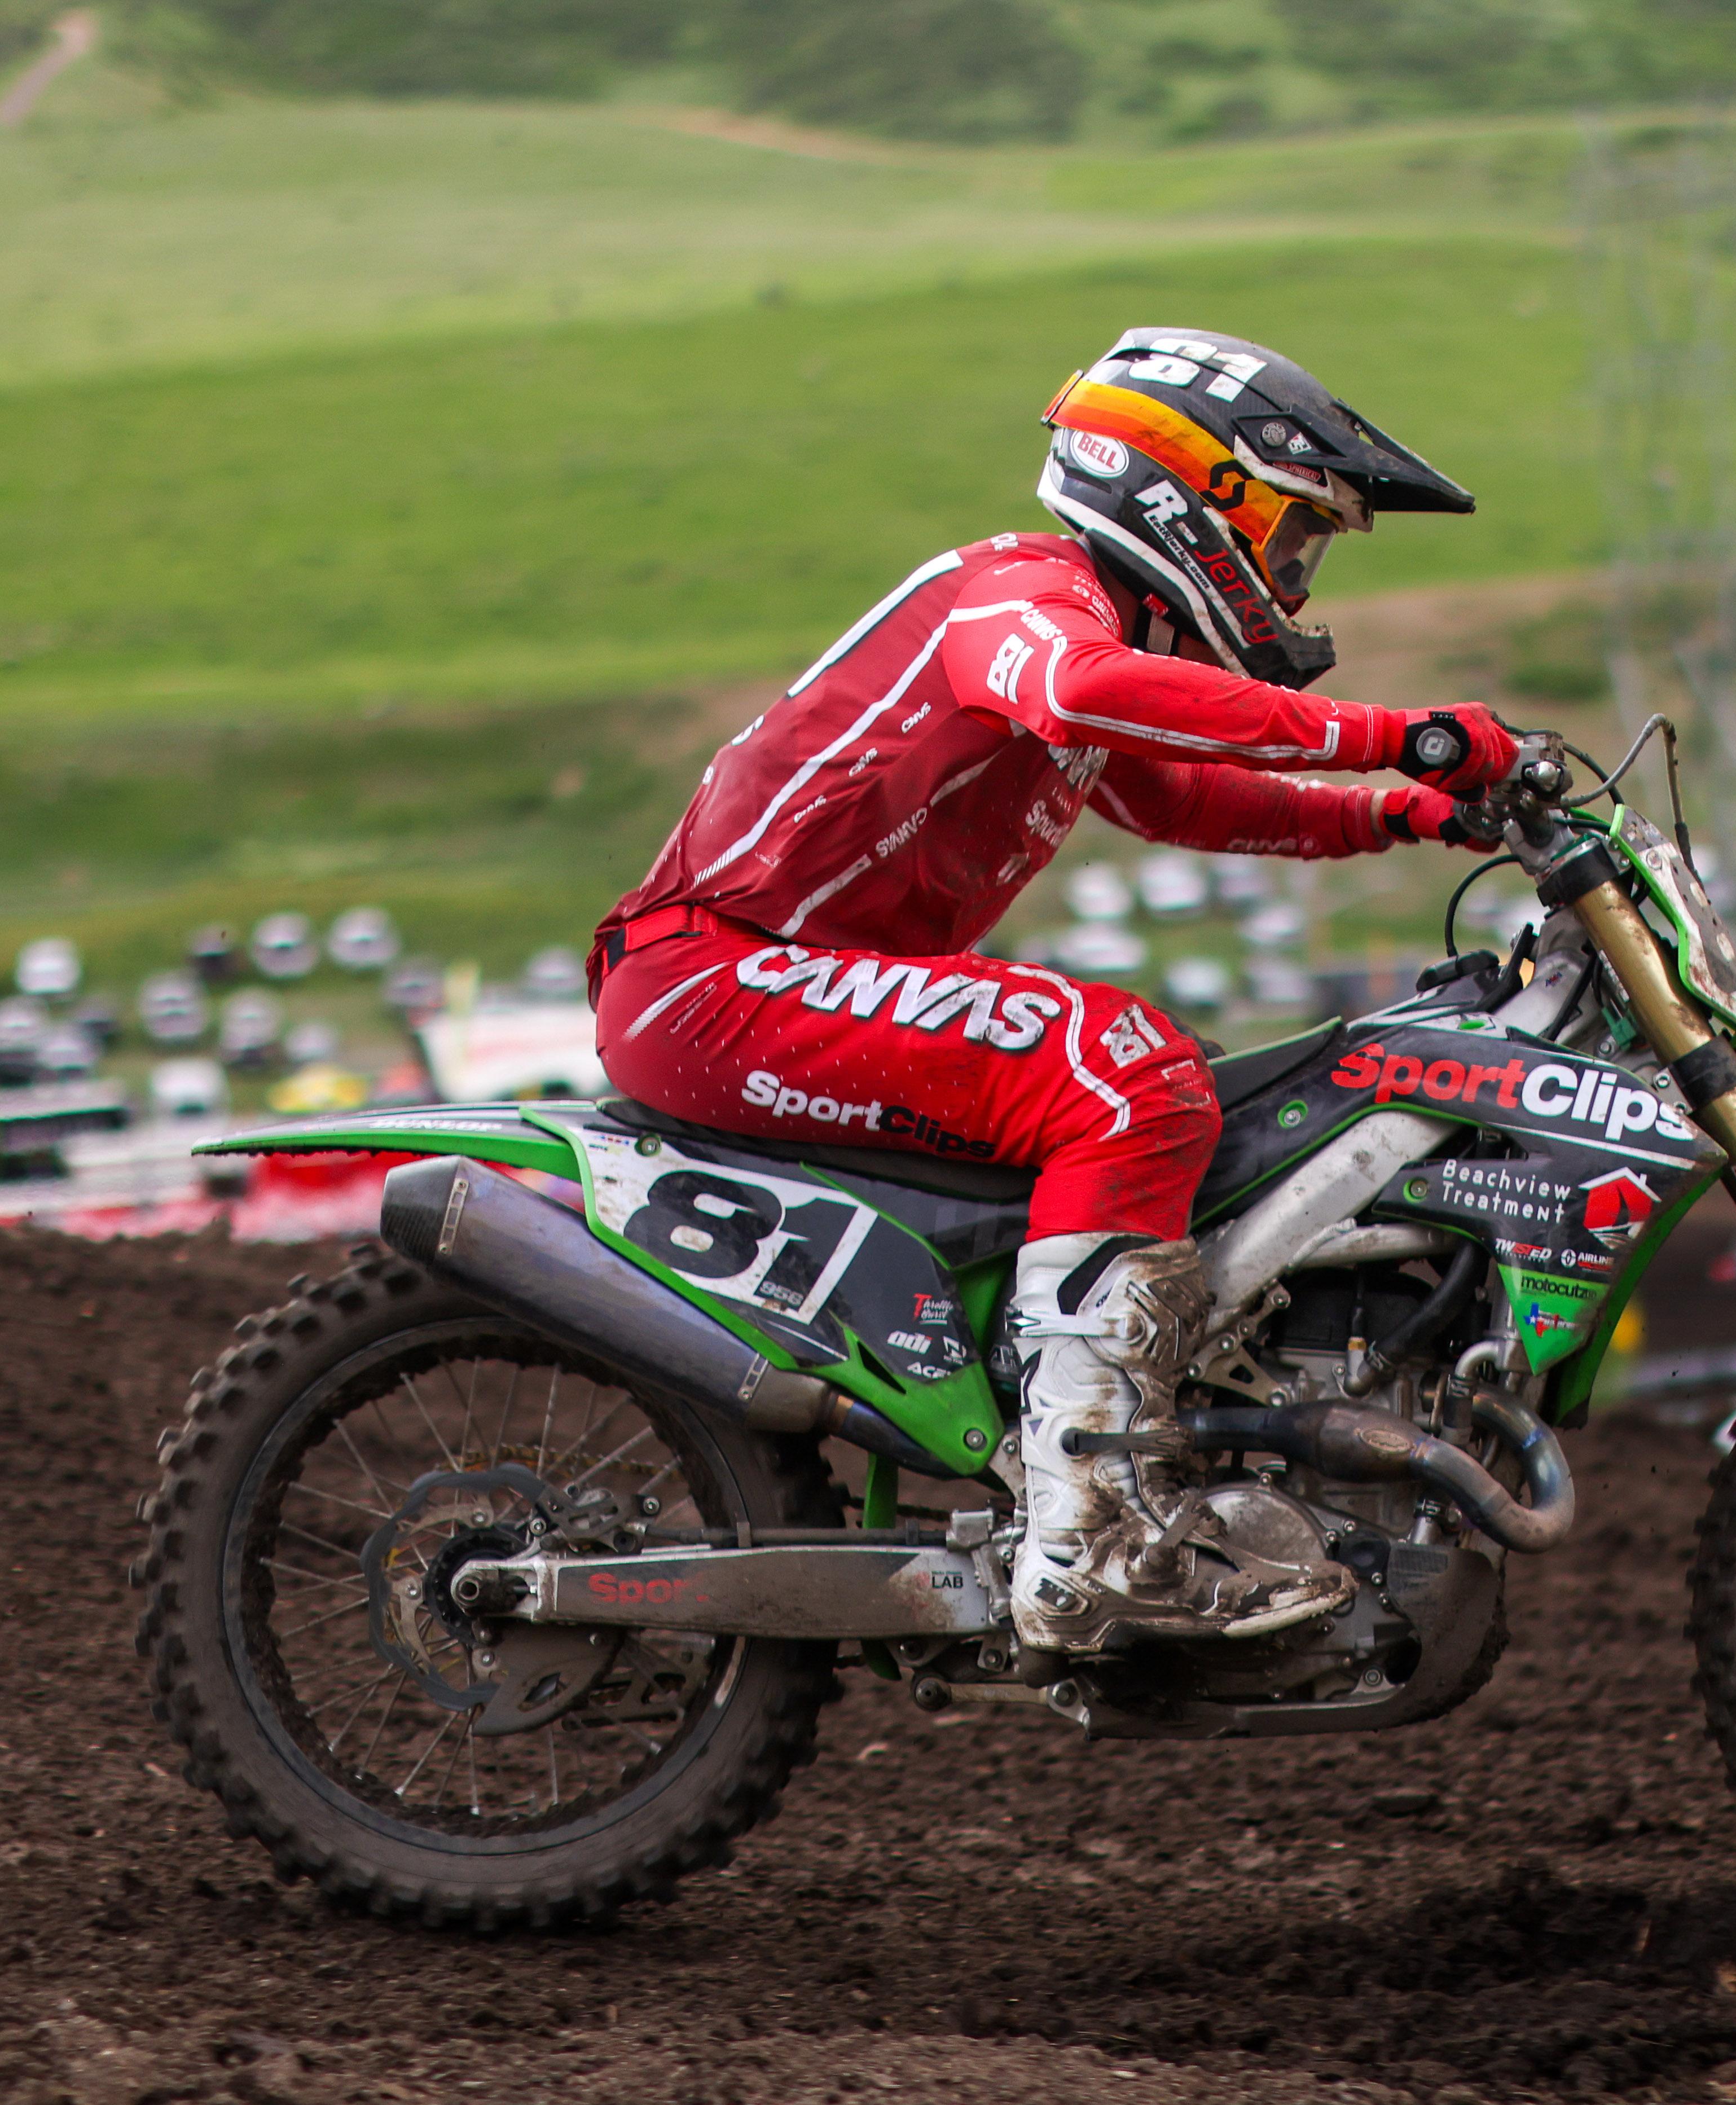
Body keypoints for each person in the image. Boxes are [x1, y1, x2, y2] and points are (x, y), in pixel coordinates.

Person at [587, 327, 1516, 1650]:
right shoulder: (1019, 597)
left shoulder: (1090, 630)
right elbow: (1086, 691)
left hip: (775, 983)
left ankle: (1115, 1445)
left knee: (1193, 1092)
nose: (1297, 579)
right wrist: (1398, 735)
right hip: (712, 979)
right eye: (1293, 536)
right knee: (1124, 1071)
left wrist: (1403, 812)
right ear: (1190, 497)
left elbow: (1176, 790)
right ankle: (1092, 1536)